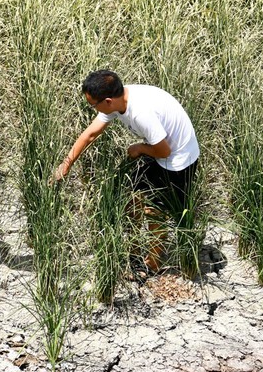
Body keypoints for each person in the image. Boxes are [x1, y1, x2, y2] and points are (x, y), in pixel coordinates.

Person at [55, 69, 199, 274]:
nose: (93, 109)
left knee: (154, 212)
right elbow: (90, 134)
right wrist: (66, 164)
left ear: (107, 101)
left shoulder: (140, 113)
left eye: (93, 105)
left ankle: (153, 264)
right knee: (134, 198)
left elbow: (164, 150)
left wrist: (139, 148)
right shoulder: (118, 100)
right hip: (157, 150)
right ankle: (136, 246)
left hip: (178, 160)